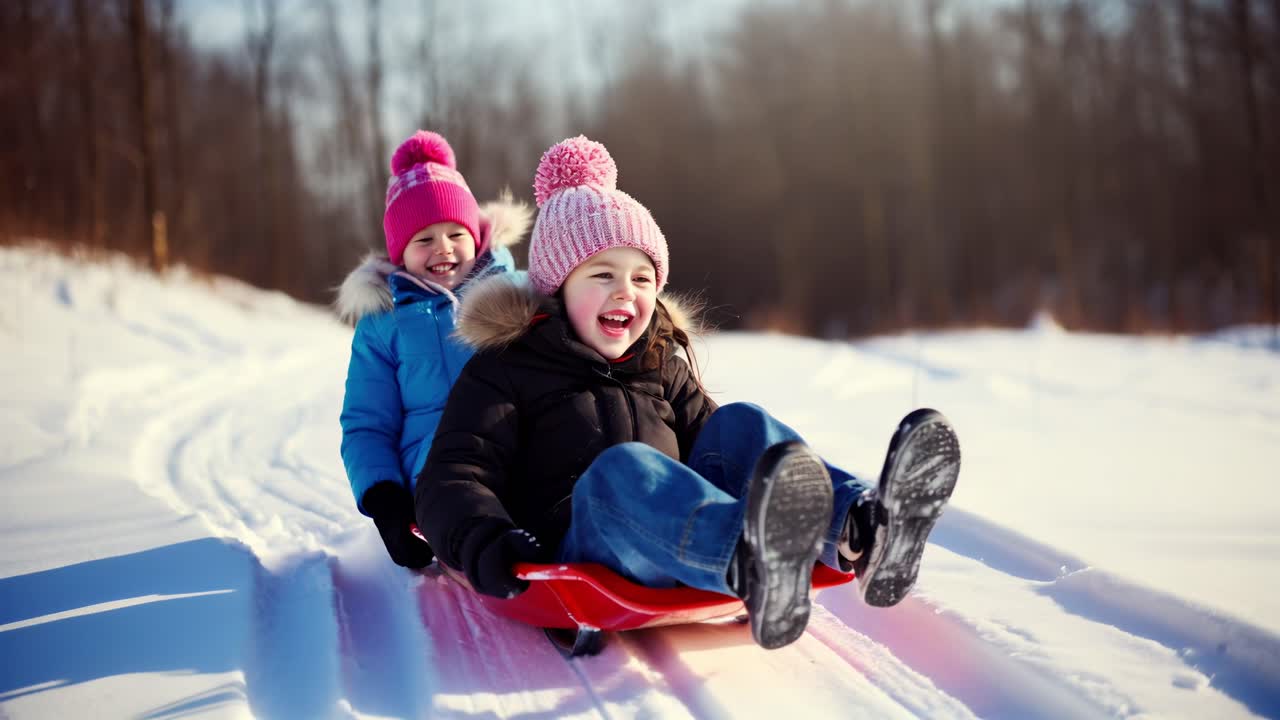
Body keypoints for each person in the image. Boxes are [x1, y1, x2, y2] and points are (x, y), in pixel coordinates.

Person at [416, 136, 960, 649]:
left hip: (679, 544)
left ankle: (861, 528)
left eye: (643, 278)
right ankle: (750, 560)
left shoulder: (660, 365)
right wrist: (485, 539)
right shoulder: (507, 370)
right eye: (601, 274)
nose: (625, 291)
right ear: (557, 289)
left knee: (739, 424)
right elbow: (454, 474)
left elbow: (723, 456)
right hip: (581, 557)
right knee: (622, 470)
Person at [337, 130, 531, 569]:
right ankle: (494, 551)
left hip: (520, 450)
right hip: (438, 471)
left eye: (454, 233)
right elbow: (366, 423)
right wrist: (385, 499)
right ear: (400, 252)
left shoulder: (518, 294)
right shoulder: (383, 324)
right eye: (423, 239)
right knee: (461, 493)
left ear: (477, 237)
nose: (442, 247)